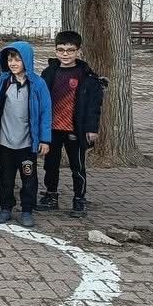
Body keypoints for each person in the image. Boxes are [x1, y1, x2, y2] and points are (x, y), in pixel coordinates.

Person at [37, 31, 104, 218]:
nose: (65, 54)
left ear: (78, 51)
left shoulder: (87, 77)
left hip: (75, 129)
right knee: (50, 165)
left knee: (78, 166)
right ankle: (51, 196)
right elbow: (41, 100)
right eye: (61, 50)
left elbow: (93, 106)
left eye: (70, 50)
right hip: (52, 129)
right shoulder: (49, 72)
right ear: (55, 50)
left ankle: (79, 199)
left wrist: (92, 128)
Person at [0, 42, 53, 228]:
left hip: (27, 143)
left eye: (17, 59)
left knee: (29, 178)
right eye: (9, 59)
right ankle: (5, 207)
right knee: (5, 178)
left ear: (27, 60)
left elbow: (45, 112)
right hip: (5, 142)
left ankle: (26, 210)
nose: (13, 63)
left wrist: (45, 139)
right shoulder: (3, 81)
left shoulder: (38, 84)